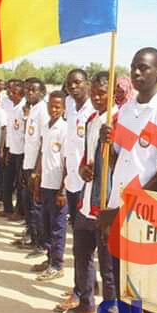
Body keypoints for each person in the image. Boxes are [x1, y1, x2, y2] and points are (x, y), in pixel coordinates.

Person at [99, 47, 157, 313]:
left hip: (144, 213)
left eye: (145, 68)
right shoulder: (129, 109)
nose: (137, 73)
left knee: (150, 289)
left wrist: (129, 208)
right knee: (124, 282)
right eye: (134, 67)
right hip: (118, 207)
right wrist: (111, 137)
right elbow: (127, 158)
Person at [61, 72, 118, 313]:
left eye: (102, 93)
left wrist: (112, 142)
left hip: (107, 203)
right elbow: (88, 157)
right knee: (81, 255)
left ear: (113, 93)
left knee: (107, 267)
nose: (96, 97)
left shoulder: (120, 120)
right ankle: (86, 303)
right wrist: (84, 169)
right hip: (87, 202)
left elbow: (122, 164)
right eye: (94, 92)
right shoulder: (92, 119)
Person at [32, 90, 68, 282]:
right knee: (45, 224)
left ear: (63, 108)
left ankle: (57, 264)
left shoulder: (65, 129)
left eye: (57, 107)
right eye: (51, 106)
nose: (54, 110)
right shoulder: (46, 127)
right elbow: (42, 154)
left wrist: (62, 190)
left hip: (57, 186)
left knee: (57, 227)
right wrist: (36, 178)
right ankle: (49, 259)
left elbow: (66, 162)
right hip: (45, 182)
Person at [15, 78, 48, 254]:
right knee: (29, 203)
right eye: (27, 90)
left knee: (37, 206)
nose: (29, 92)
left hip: (37, 166)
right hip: (28, 161)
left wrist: (37, 170)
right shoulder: (32, 110)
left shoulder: (43, 111)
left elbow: (43, 142)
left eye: (33, 90)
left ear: (42, 92)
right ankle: (32, 236)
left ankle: (40, 243)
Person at [64, 69, 94, 228]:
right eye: (69, 84)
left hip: (87, 178)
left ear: (87, 85)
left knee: (87, 226)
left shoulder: (94, 109)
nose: (73, 86)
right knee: (75, 225)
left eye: (77, 82)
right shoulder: (68, 104)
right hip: (71, 176)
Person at [0, 80, 26, 219]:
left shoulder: (23, 109)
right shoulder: (11, 107)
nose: (11, 94)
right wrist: (5, 150)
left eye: (14, 92)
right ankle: (7, 208)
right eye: (10, 91)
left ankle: (19, 211)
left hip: (21, 152)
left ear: (21, 95)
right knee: (7, 180)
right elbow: (9, 130)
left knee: (20, 184)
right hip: (11, 149)